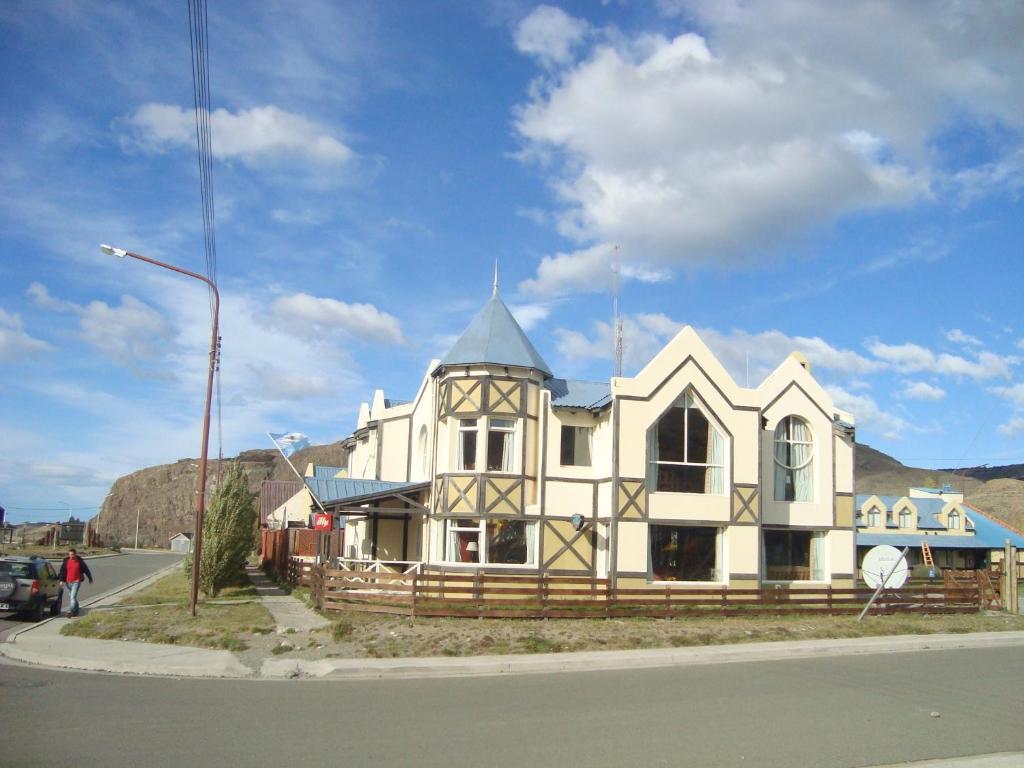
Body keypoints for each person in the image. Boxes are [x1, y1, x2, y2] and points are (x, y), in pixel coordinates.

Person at [58, 548, 93, 617]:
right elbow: (62, 571)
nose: (71, 556)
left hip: (76, 581)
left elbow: (86, 569)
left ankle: (70, 611)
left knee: (72, 597)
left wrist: (90, 578)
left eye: (73, 554)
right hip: (68, 581)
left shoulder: (79, 561)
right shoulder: (66, 561)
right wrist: (61, 580)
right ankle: (76, 609)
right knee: (72, 597)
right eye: (70, 554)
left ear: (75, 554)